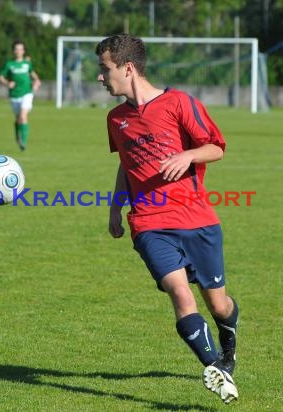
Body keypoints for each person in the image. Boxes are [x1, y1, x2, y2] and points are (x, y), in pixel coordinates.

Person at [96, 34, 239, 405]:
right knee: (179, 293)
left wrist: (188, 156)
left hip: (197, 220)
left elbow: (216, 148)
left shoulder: (179, 103)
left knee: (219, 304)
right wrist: (115, 208)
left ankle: (228, 344)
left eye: (104, 68)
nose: (100, 77)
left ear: (127, 68)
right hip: (148, 222)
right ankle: (216, 370)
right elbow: (125, 167)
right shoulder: (116, 119)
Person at [0, 40, 41, 151]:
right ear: (13, 51)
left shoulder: (27, 63)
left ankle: (23, 142)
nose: (18, 51)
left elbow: (33, 75)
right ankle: (18, 135)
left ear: (24, 51)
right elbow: (0, 77)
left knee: (23, 116)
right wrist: (8, 83)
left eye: (20, 49)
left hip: (27, 93)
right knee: (18, 118)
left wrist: (36, 81)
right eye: (16, 49)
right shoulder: (9, 64)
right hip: (14, 95)